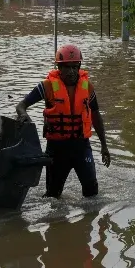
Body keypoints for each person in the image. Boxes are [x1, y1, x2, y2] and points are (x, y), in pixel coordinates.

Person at [15, 44, 110, 198]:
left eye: (75, 67)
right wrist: (23, 115)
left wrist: (104, 146)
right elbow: (21, 106)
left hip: (81, 146)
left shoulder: (88, 87)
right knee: (53, 196)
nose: (72, 71)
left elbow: (96, 116)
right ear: (59, 67)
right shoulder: (47, 86)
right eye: (67, 67)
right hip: (57, 149)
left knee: (92, 193)